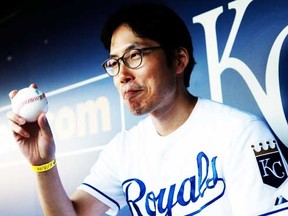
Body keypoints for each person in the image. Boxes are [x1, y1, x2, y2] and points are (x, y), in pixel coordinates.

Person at [7, 2, 288, 216]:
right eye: (114, 63)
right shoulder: (124, 149)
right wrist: (42, 164)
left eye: (134, 55)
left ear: (178, 60)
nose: (122, 75)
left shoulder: (241, 134)